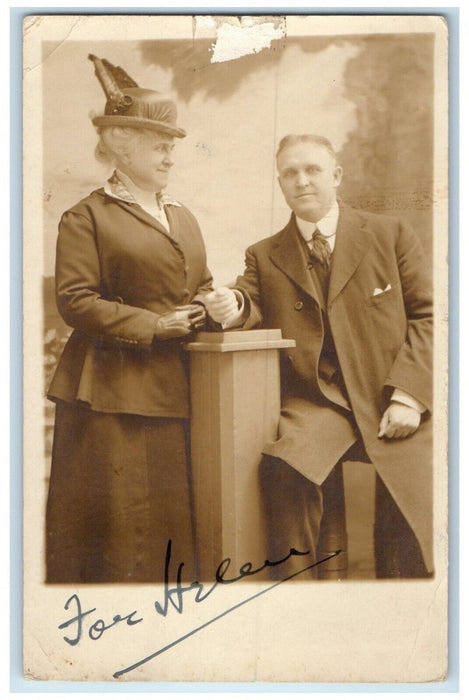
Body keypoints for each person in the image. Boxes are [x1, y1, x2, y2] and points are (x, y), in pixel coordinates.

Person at [204, 134, 433, 579]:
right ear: (280, 183)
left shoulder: (391, 234)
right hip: (319, 402)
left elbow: (431, 317)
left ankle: (406, 614)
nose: (302, 181)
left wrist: (409, 396)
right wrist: (230, 306)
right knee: (287, 467)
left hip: (388, 394)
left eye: (312, 170)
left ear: (336, 176)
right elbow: (246, 299)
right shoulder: (265, 254)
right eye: (290, 173)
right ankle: (301, 601)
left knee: (413, 502)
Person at [46, 55, 213, 583]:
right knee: (122, 535)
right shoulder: (86, 217)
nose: (170, 155)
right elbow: (74, 301)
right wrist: (153, 325)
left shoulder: (182, 216)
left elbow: (198, 286)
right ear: (122, 144)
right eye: (160, 144)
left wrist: (216, 304)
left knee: (167, 533)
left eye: (172, 146)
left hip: (175, 392)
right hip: (111, 397)